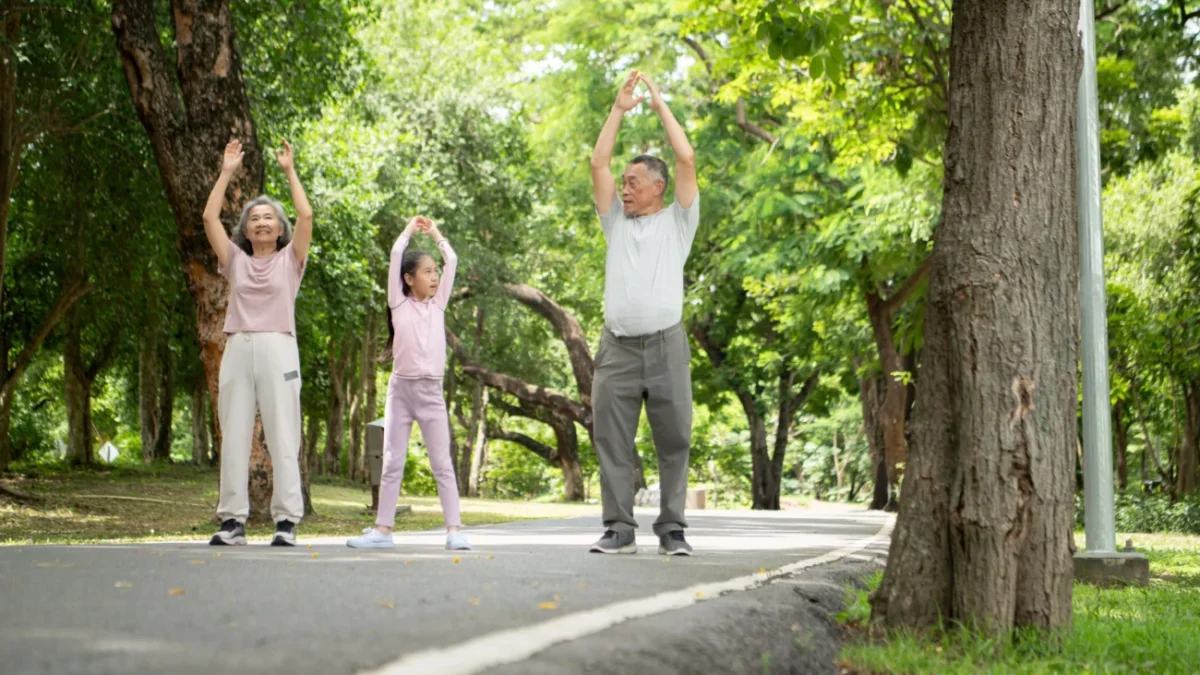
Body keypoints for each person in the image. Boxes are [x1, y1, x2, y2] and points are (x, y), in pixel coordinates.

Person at [587, 71, 699, 556]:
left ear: (658, 187)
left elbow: (686, 157)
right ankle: (618, 529)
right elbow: (598, 161)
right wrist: (618, 109)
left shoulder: (679, 220)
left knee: (674, 439)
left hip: (667, 345)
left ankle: (672, 530)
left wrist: (658, 105)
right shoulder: (614, 222)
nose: (625, 189)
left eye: (634, 183)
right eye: (624, 183)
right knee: (611, 440)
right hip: (617, 349)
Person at [203, 138, 313, 547]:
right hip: (238, 348)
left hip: (278, 347)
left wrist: (289, 171)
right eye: (255, 219)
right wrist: (227, 171)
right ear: (246, 231)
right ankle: (232, 521)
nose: (262, 223)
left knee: (284, 434)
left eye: (269, 218)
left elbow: (306, 213)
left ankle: (286, 521)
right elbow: (209, 218)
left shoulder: (291, 261)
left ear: (280, 230)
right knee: (233, 435)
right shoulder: (236, 260)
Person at [347, 216, 470, 551]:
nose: (434, 277)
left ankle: (454, 530)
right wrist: (406, 231)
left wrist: (434, 233)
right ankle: (383, 531)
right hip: (401, 393)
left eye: (435, 272)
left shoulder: (439, 304)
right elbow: (395, 252)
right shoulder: (398, 303)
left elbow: (453, 260)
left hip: (431, 394)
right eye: (427, 272)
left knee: (442, 463)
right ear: (408, 278)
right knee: (392, 461)